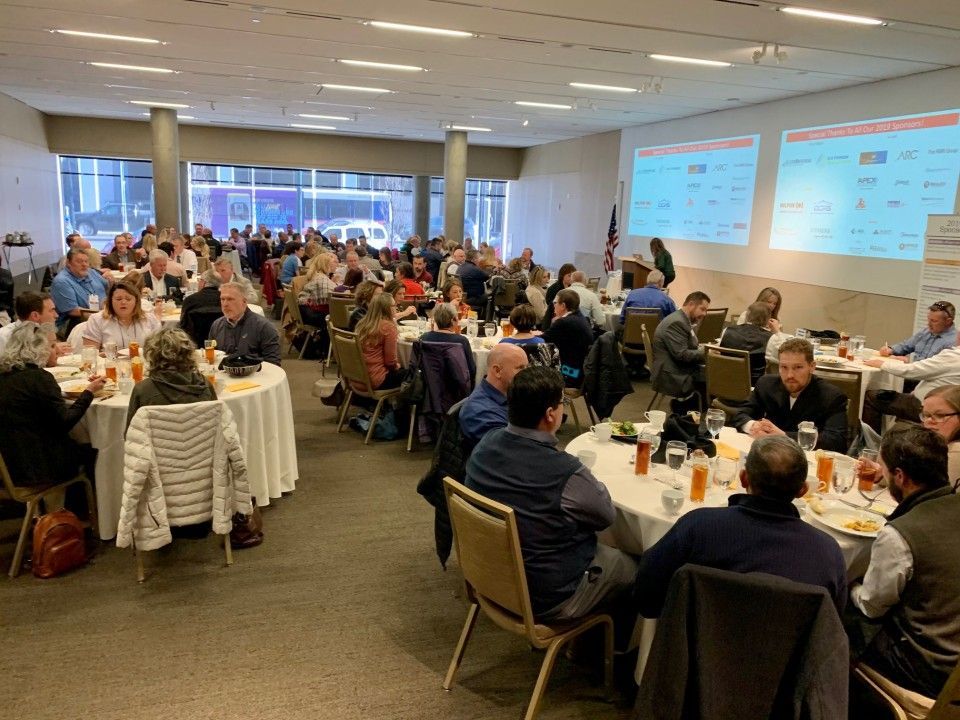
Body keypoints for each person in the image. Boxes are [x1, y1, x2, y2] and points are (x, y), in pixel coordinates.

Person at [466, 366, 637, 627]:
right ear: (550, 414)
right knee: (639, 565)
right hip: (548, 597)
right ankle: (612, 653)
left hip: (489, 577)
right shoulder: (564, 472)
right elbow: (606, 515)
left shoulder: (485, 444)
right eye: (561, 403)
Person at [635, 435, 847, 617]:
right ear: (803, 491)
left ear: (744, 478)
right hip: (788, 663)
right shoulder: (828, 552)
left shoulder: (698, 527)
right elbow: (829, 627)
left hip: (693, 656)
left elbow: (646, 598)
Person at [848, 424, 960, 698]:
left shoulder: (900, 535)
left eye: (884, 468)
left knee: (834, 610)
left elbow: (871, 607)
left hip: (927, 669)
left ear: (899, 476)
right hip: (953, 654)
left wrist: (848, 582)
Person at [0, 322, 105, 488]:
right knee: (96, 450)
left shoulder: (5, 374)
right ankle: (78, 511)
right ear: (38, 348)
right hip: (38, 468)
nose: (57, 350)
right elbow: (65, 422)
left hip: (8, 465)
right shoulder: (39, 378)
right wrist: (89, 392)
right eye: (52, 345)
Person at [731, 337, 848, 452]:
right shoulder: (766, 384)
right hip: (768, 454)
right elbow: (740, 414)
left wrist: (783, 436)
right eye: (784, 367)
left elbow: (836, 441)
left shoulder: (832, 396)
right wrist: (754, 426)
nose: (789, 375)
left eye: (798, 367)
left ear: (812, 367)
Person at [125, 326, 216, 430]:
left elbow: (131, 435)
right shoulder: (205, 385)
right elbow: (216, 427)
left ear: (152, 355)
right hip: (202, 445)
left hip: (156, 446)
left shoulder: (143, 390)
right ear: (189, 353)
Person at [862, 342, 960, 433]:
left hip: (932, 407)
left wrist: (882, 364)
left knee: (872, 397)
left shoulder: (954, 356)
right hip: (950, 406)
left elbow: (914, 370)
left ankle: (872, 445)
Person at [459, 343, 529, 445]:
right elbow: (513, 451)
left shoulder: (511, 394)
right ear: (497, 371)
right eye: (521, 368)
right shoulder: (481, 414)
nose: (527, 373)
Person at [651, 291, 710, 409]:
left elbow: (685, 347)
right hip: (670, 375)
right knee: (712, 379)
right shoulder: (677, 322)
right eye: (702, 309)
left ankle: (693, 410)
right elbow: (682, 354)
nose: (705, 314)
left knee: (711, 376)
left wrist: (702, 348)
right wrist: (707, 352)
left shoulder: (682, 319)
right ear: (691, 304)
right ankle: (684, 408)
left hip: (675, 367)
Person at [208, 282, 282, 366]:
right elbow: (212, 357)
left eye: (230, 299)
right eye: (222, 299)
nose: (225, 304)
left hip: (253, 377)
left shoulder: (264, 327)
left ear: (244, 302)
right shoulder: (217, 325)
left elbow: (273, 364)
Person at [82, 281, 162, 351]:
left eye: (128, 299)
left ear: (136, 302)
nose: (123, 302)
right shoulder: (97, 320)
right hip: (110, 365)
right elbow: (90, 353)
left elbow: (158, 350)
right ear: (110, 301)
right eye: (118, 299)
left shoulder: (150, 319)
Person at [542, 289, 594, 388]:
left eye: (555, 303)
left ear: (563, 306)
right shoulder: (579, 316)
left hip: (570, 374)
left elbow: (541, 341)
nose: (553, 305)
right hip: (580, 371)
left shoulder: (564, 322)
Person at [50, 247, 109, 333]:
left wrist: (111, 282)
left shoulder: (91, 272)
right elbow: (73, 311)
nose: (84, 265)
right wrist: (102, 315)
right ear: (68, 263)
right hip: (74, 323)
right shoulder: (62, 281)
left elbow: (108, 288)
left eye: (86, 261)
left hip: (101, 315)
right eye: (79, 261)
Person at [353, 293, 403, 390]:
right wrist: (398, 365)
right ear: (387, 308)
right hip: (376, 380)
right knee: (415, 374)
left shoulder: (362, 323)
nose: (396, 308)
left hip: (356, 378)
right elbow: (390, 362)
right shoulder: (388, 327)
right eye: (394, 305)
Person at [880, 301, 956, 362]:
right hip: (913, 374)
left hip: (929, 379)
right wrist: (891, 350)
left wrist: (909, 361)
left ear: (948, 321)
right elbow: (906, 346)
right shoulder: (926, 332)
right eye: (928, 319)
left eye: (934, 321)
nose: (928, 324)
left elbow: (936, 367)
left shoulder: (954, 342)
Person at [719, 301, 773, 384]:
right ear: (768, 319)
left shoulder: (727, 331)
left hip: (725, 383)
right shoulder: (770, 338)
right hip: (754, 386)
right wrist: (777, 332)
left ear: (747, 315)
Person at [420, 303, 476, 381]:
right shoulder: (461, 341)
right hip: (456, 387)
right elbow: (471, 370)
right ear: (453, 320)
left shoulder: (424, 337)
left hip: (429, 385)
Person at [919, 385, 960, 489]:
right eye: (926, 415)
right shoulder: (932, 444)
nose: (929, 421)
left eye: (940, 415)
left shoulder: (956, 451)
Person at [298, 252, 338, 328]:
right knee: (340, 317)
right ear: (326, 264)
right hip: (312, 315)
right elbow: (332, 297)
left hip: (305, 311)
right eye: (334, 262)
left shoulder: (316, 275)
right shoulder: (322, 278)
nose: (337, 264)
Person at [541, 262, 576, 331]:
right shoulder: (553, 289)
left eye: (572, 276)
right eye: (569, 276)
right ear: (562, 275)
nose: (571, 278)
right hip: (554, 318)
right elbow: (550, 307)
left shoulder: (572, 288)